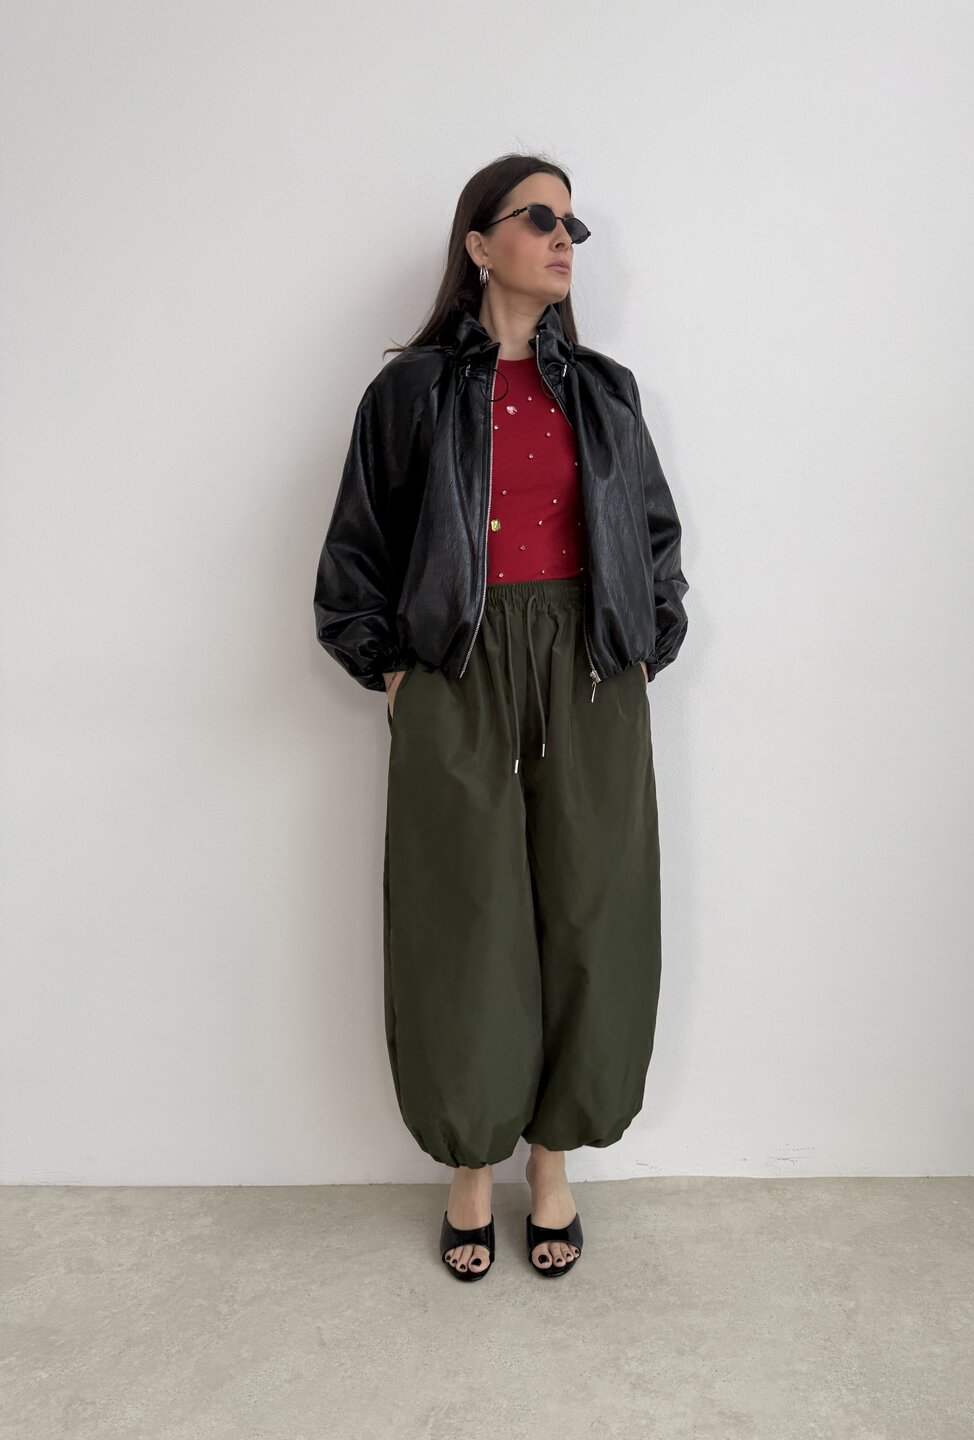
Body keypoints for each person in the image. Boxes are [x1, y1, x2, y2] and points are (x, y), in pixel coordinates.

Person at [314, 153, 690, 1282]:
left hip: (590, 671)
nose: (565, 239)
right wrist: (397, 674)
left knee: (591, 912)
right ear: (480, 245)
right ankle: (472, 1170)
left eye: (574, 224)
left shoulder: (606, 392)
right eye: (539, 218)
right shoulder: (410, 394)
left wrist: (646, 637)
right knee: (464, 917)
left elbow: (654, 536)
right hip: (459, 671)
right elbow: (357, 552)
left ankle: (553, 1164)